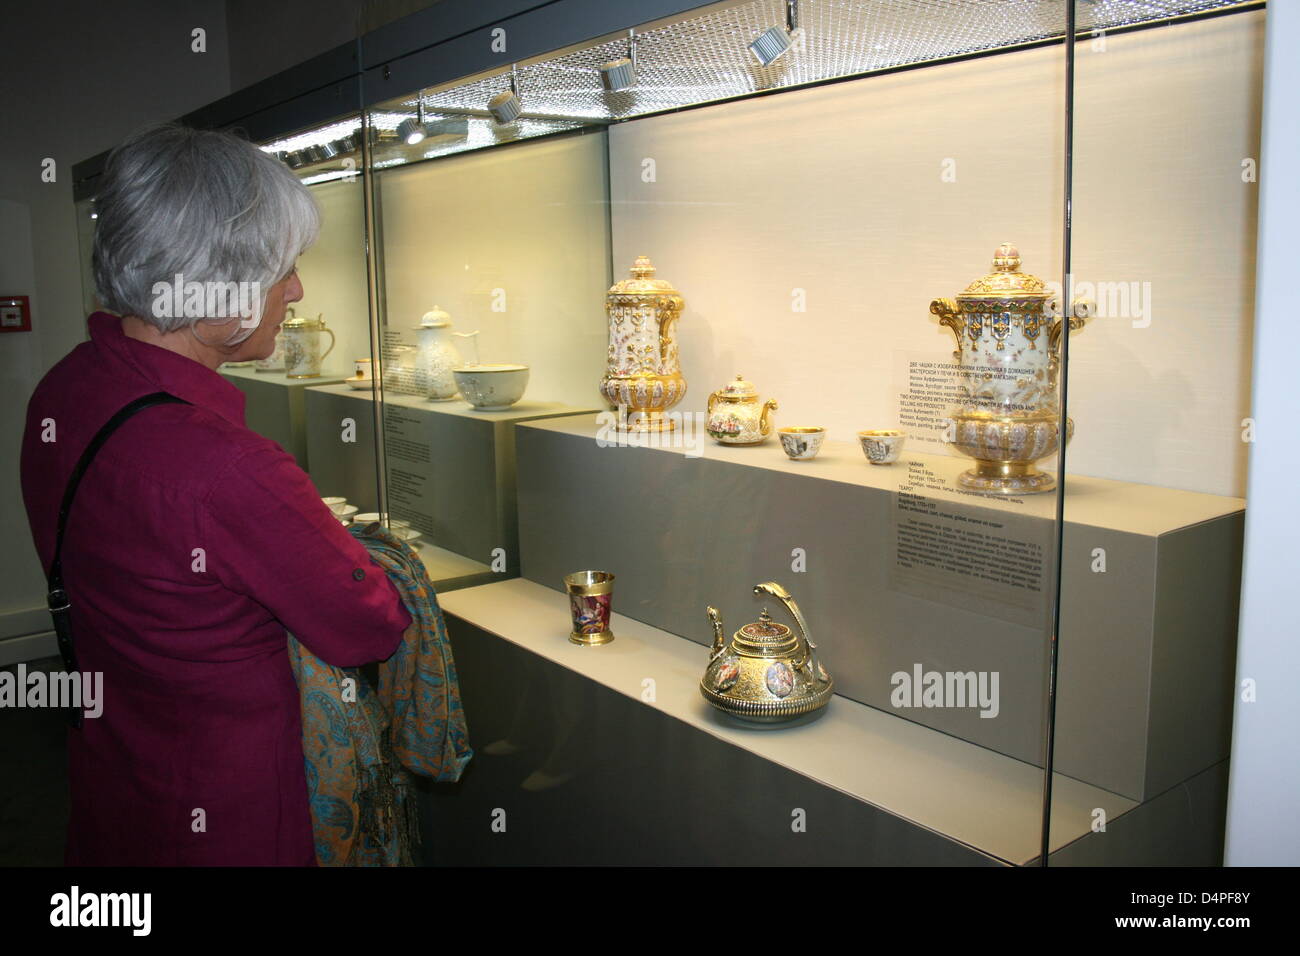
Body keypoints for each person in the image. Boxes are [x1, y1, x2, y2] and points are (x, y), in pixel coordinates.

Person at [19, 123, 411, 866]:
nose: (295, 290)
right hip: (228, 807)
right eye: (280, 269)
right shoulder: (225, 466)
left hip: (117, 768)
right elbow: (368, 623)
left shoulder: (65, 388)